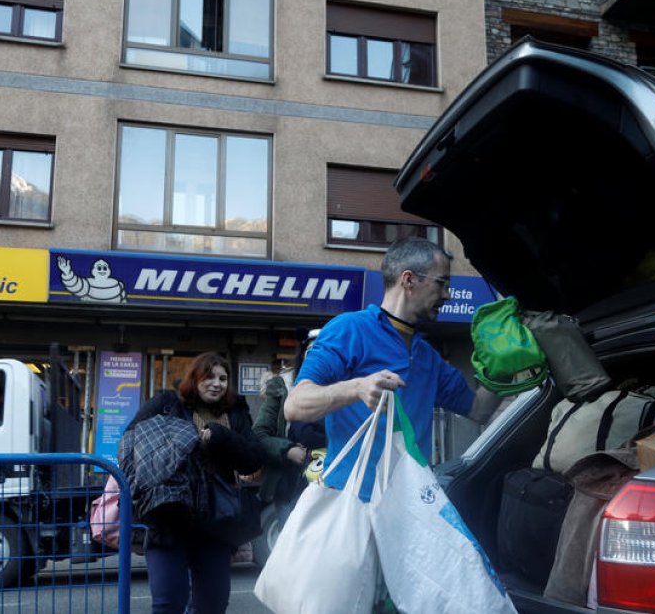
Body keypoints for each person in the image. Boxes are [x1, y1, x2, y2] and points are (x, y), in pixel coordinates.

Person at [284, 237, 502, 500]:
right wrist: (357, 387)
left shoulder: (427, 356)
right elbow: (295, 405)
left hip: (411, 508)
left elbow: (479, 409)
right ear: (408, 279)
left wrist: (503, 362)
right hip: (352, 505)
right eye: (442, 283)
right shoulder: (349, 329)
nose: (447, 294)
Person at [125, 352, 265, 614]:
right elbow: (130, 443)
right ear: (195, 378)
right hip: (168, 518)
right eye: (209, 376)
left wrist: (222, 436)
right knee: (168, 604)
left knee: (212, 605)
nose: (217, 383)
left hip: (216, 524)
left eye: (223, 378)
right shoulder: (166, 403)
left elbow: (253, 460)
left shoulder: (235, 412)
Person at [252, 341, 327, 518]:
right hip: (290, 484)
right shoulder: (283, 388)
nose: (318, 357)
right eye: (311, 351)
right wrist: (287, 450)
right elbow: (259, 434)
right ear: (302, 355)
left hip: (335, 485)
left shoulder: (350, 388)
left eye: (327, 350)